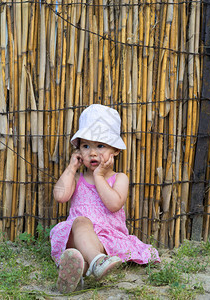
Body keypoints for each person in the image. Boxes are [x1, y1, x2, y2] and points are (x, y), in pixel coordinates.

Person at [50, 104, 160, 293]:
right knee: (81, 222)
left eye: (100, 146)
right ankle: (94, 263)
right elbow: (60, 196)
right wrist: (71, 168)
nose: (92, 152)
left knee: (79, 255)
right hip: (75, 236)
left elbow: (114, 204)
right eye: (85, 146)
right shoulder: (77, 177)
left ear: (116, 150)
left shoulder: (119, 178)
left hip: (105, 240)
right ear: (78, 152)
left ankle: (82, 268)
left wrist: (100, 177)